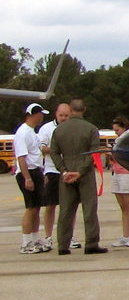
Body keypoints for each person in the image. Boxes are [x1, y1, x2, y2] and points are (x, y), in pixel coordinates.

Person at [51, 99, 106, 255]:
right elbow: (93, 153)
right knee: (89, 209)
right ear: (84, 109)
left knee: (66, 211)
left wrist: (63, 170)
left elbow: (54, 152)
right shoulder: (91, 129)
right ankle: (91, 243)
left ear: (70, 109)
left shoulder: (59, 130)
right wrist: (81, 171)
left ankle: (62, 245)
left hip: (67, 171)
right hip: (85, 172)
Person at [12, 103, 49, 254]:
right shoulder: (23, 133)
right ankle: (26, 242)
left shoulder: (32, 132)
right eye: (40, 114)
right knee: (30, 207)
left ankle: (34, 239)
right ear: (33, 114)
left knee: (36, 207)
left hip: (36, 171)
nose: (42, 117)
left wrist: (41, 173)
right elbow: (21, 158)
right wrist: (27, 178)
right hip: (27, 172)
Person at [35, 102, 69, 251]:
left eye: (66, 115)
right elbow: (41, 147)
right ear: (56, 114)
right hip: (53, 170)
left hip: (69, 170)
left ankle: (69, 235)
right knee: (50, 205)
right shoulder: (46, 129)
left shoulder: (72, 127)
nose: (63, 118)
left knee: (69, 206)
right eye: (61, 115)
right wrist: (56, 150)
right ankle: (48, 237)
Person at [109, 116, 129, 247]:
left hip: (127, 174)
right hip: (116, 173)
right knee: (123, 206)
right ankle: (125, 235)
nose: (116, 133)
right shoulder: (117, 141)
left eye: (118, 130)